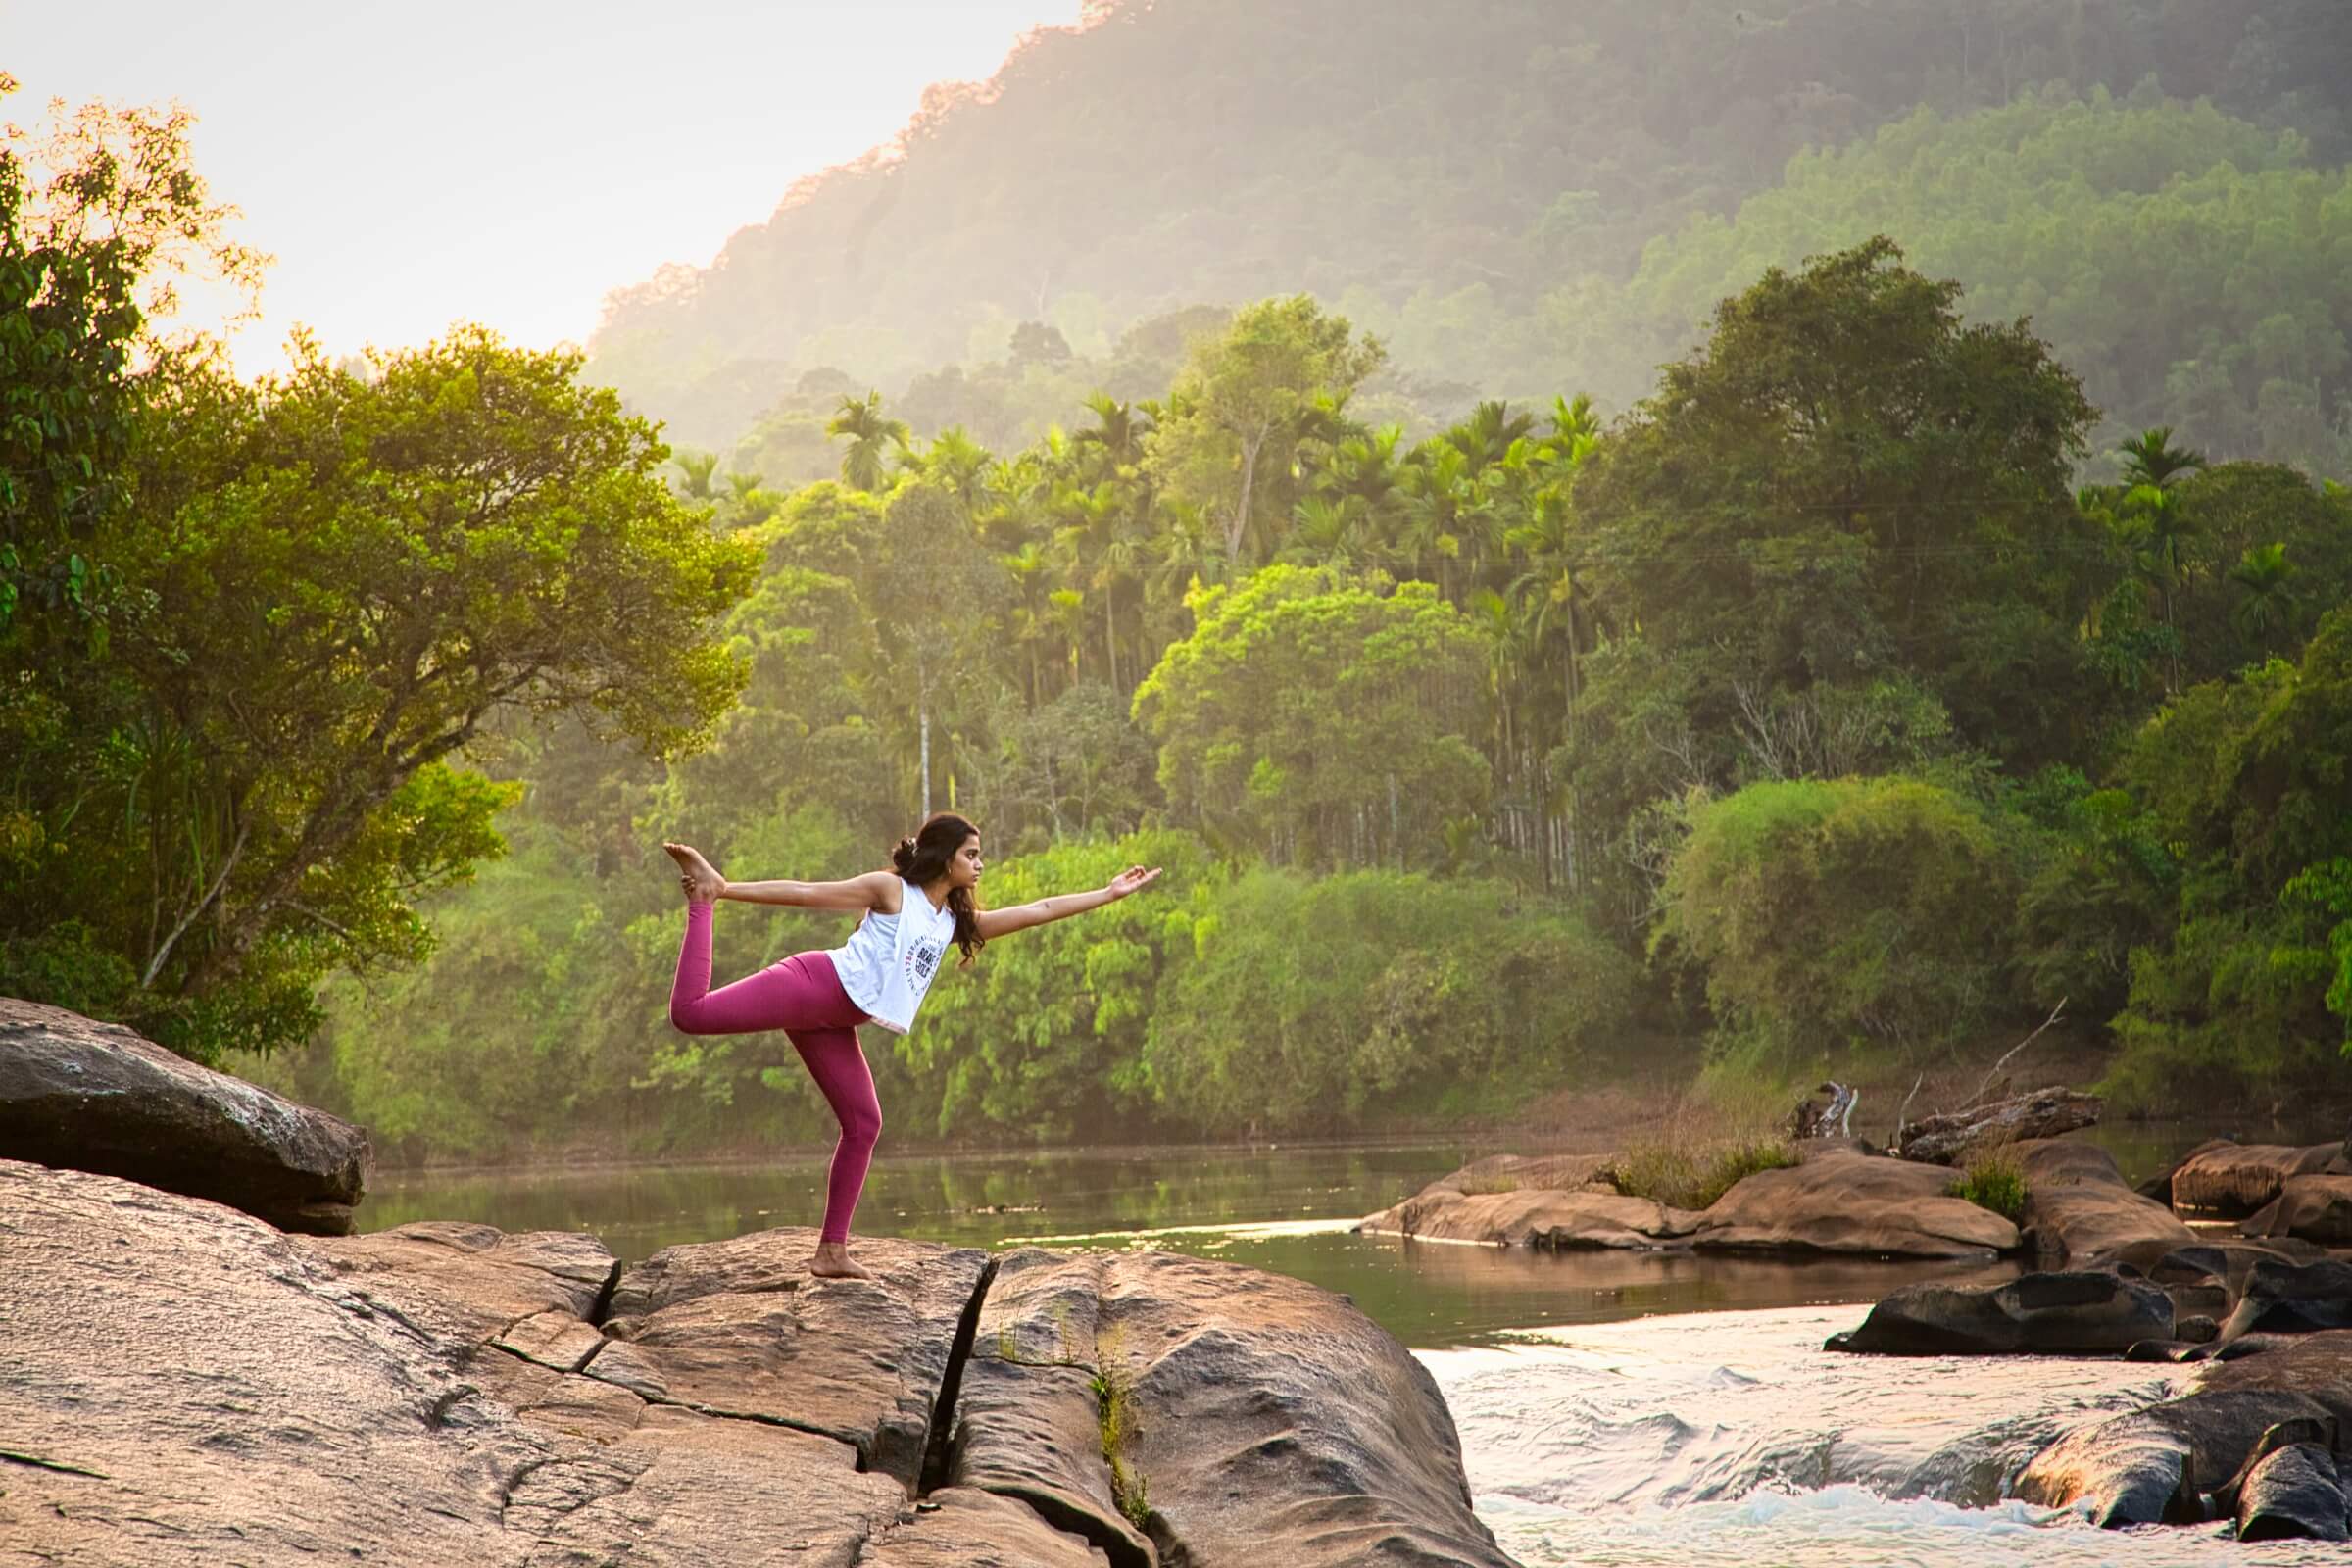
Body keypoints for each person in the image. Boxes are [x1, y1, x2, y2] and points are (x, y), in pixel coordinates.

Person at [662, 811, 1160, 1280]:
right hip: (814, 983)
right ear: (945, 858)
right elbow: (807, 891)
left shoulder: (949, 924)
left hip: (835, 1019)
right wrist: (725, 890)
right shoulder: (891, 891)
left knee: (864, 1124)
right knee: (691, 1015)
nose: (980, 864)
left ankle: (831, 1251)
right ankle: (703, 897)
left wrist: (1108, 894)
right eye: (972, 855)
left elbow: (1038, 910)